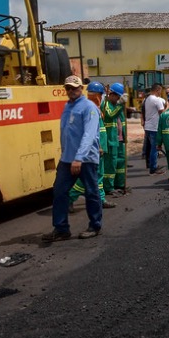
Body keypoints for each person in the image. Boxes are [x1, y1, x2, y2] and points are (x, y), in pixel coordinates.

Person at [43, 75, 102, 242]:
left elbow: (89, 135)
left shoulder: (89, 107)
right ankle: (61, 229)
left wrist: (79, 158)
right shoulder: (67, 106)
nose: (71, 91)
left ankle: (95, 226)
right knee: (59, 191)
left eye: (74, 88)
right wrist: (65, 155)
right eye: (68, 88)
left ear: (81, 88)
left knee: (91, 192)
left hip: (85, 159)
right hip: (67, 159)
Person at [68, 81, 115, 211]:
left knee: (98, 176)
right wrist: (98, 146)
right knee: (87, 178)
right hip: (94, 149)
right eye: (101, 95)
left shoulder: (95, 108)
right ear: (98, 95)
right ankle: (69, 198)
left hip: (99, 148)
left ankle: (101, 199)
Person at [102, 82, 128, 195]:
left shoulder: (117, 105)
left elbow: (122, 122)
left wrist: (124, 136)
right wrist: (120, 105)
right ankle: (108, 187)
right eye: (118, 97)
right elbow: (111, 114)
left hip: (119, 139)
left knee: (120, 163)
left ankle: (120, 184)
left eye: (120, 98)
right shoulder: (106, 104)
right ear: (111, 94)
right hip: (110, 140)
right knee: (110, 165)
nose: (118, 99)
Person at [141, 83, 166, 175]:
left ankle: (152, 165)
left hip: (148, 127)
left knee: (151, 148)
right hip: (154, 127)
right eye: (160, 91)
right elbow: (162, 113)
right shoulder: (156, 100)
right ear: (158, 90)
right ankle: (153, 168)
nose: (160, 93)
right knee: (154, 149)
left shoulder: (147, 99)